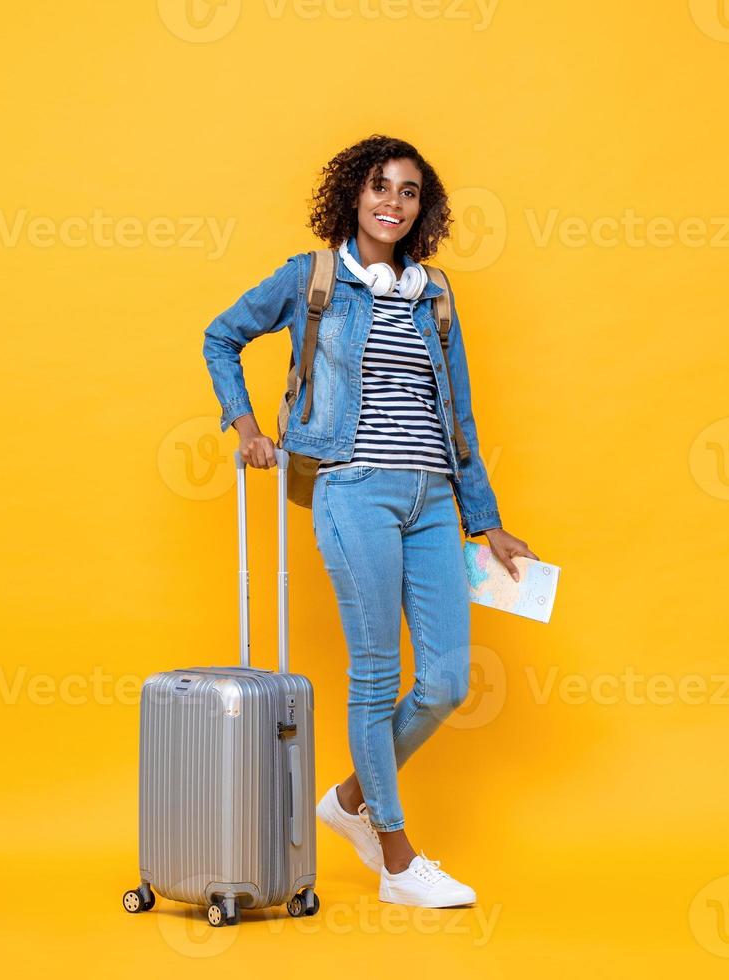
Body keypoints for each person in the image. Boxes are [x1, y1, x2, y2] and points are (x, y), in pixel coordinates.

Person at [202, 135, 537, 908]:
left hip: (434, 501)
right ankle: (395, 859)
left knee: (448, 680)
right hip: (353, 490)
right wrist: (246, 424)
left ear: (424, 207)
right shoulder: (315, 278)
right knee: (376, 672)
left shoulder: (436, 294)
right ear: (353, 195)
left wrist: (487, 521)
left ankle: (348, 801)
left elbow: (459, 418)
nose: (393, 201)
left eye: (409, 191)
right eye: (379, 186)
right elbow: (221, 336)